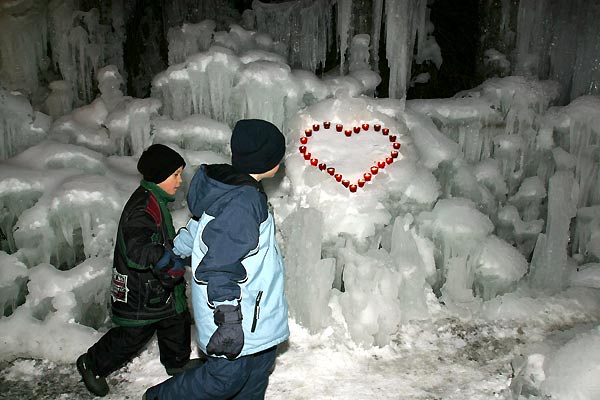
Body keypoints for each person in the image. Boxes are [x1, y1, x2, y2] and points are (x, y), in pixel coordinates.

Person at [143, 119, 290, 400]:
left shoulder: (235, 190)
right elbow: (220, 265)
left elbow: (204, 227)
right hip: (238, 314)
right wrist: (229, 319)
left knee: (258, 370)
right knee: (225, 379)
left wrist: (175, 250)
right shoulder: (242, 201)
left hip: (256, 314)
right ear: (266, 161)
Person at [77, 143, 201, 397]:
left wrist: (176, 249)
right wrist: (163, 258)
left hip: (157, 287)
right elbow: (136, 248)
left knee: (175, 320)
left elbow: (158, 238)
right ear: (158, 176)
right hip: (140, 291)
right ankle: (92, 363)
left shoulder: (155, 200)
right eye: (175, 175)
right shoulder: (142, 208)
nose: (180, 181)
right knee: (133, 334)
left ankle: (176, 362)